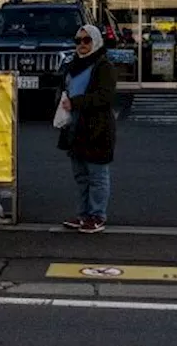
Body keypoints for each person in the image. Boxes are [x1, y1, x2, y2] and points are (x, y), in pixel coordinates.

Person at [58, 24, 117, 234]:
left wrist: (76, 102)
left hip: (97, 127)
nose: (82, 45)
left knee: (97, 174)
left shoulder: (103, 66)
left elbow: (106, 96)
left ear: (96, 41)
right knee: (81, 175)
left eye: (86, 40)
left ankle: (97, 215)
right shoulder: (74, 64)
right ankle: (83, 214)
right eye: (78, 41)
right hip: (76, 126)